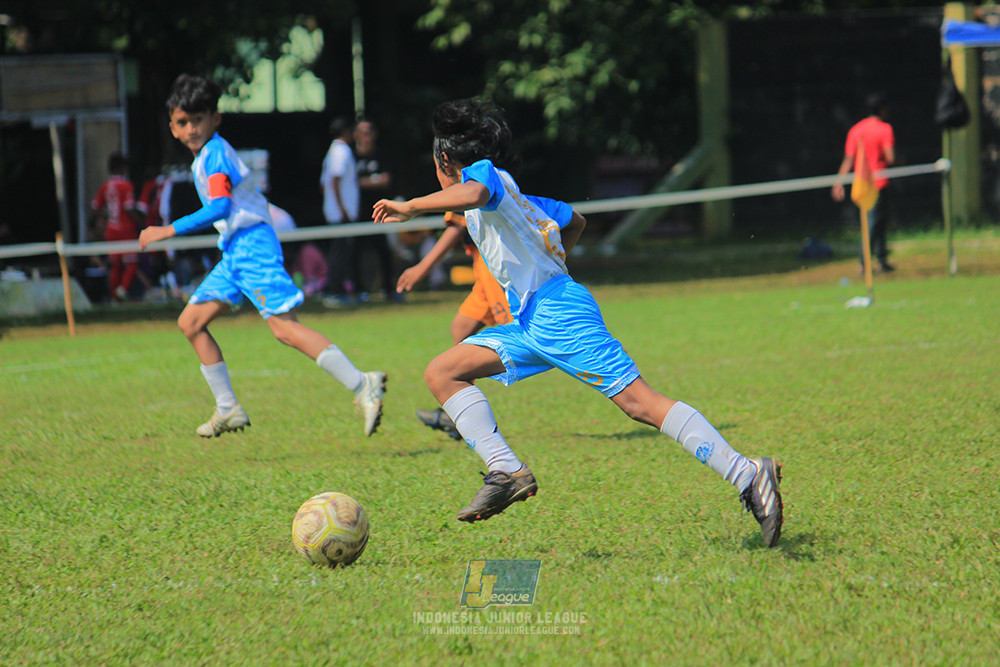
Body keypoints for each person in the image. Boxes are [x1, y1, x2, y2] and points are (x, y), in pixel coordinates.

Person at [372, 98, 784, 547]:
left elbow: (474, 192)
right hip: (534, 320)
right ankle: (507, 471)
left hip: (558, 314)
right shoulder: (517, 196)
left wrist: (411, 205)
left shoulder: (484, 175)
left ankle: (748, 473)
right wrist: (553, 264)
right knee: (442, 372)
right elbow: (575, 219)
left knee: (639, 403)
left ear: (445, 160)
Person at [139, 74, 386, 438]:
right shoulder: (206, 156)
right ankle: (228, 408)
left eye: (198, 119)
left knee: (285, 329)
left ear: (215, 119)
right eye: (182, 122)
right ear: (172, 128)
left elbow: (220, 206)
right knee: (191, 322)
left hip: (252, 246)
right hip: (236, 252)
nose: (191, 128)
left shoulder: (216, 154)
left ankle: (362, 383)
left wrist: (167, 229)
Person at [399, 211, 516, 440]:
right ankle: (458, 412)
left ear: (447, 171)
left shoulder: (468, 185)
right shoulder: (469, 183)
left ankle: (593, 364)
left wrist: (423, 267)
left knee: (524, 335)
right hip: (481, 262)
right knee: (461, 328)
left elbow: (457, 226)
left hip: (494, 263)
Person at [832, 92, 896, 273]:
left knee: (878, 222)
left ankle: (881, 260)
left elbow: (848, 160)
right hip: (878, 183)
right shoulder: (885, 129)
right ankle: (864, 263)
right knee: (874, 223)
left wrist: (838, 182)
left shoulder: (856, 130)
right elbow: (890, 157)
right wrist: (902, 161)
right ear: (882, 110)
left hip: (861, 184)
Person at [352, 119, 399, 302]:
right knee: (355, 251)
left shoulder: (381, 155)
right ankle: (358, 291)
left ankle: (388, 290)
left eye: (369, 131)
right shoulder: (351, 156)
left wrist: (360, 183)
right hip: (357, 212)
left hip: (378, 211)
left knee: (383, 250)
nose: (366, 136)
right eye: (362, 132)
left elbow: (386, 180)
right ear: (356, 135)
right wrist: (372, 180)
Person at [320, 116, 359, 306]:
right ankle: (334, 291)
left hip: (334, 210)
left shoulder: (331, 152)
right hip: (341, 212)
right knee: (339, 253)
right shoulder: (341, 151)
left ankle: (336, 289)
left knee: (339, 252)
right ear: (346, 132)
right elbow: (335, 180)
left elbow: (323, 185)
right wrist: (342, 208)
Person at [92, 152, 141, 301]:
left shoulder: (105, 186)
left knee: (115, 264)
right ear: (122, 168)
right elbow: (128, 208)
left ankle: (115, 297)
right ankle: (123, 289)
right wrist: (140, 223)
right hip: (126, 229)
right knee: (132, 262)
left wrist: (104, 219)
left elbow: (96, 207)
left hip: (111, 229)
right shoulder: (125, 186)